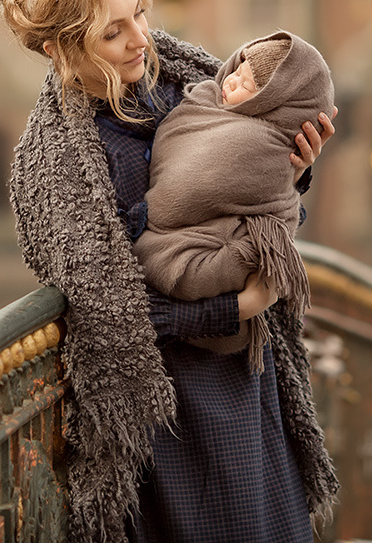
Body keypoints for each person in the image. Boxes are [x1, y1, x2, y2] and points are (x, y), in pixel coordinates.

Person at [0, 0, 338, 543]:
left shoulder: (193, 86)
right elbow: (103, 316)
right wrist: (235, 305)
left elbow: (253, 220)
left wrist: (290, 178)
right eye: (112, 32)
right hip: (168, 405)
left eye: (139, 13)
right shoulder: (56, 168)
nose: (140, 39)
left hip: (250, 374)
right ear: (56, 48)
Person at [133, 32, 335, 373]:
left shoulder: (266, 143)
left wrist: (293, 172)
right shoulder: (199, 98)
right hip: (171, 349)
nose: (230, 82)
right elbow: (179, 190)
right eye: (236, 72)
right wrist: (242, 306)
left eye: (247, 84)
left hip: (234, 352)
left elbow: (239, 190)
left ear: (273, 103)